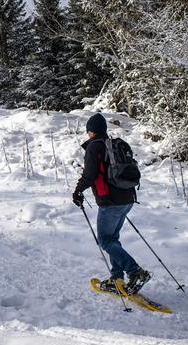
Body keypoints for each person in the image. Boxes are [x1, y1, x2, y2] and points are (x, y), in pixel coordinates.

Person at [72, 113, 150, 295]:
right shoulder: (115, 145)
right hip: (127, 198)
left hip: (110, 201)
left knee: (105, 240)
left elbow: (90, 175)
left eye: (88, 131)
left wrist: (77, 191)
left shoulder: (94, 147)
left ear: (91, 131)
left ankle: (135, 272)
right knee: (112, 239)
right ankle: (117, 278)